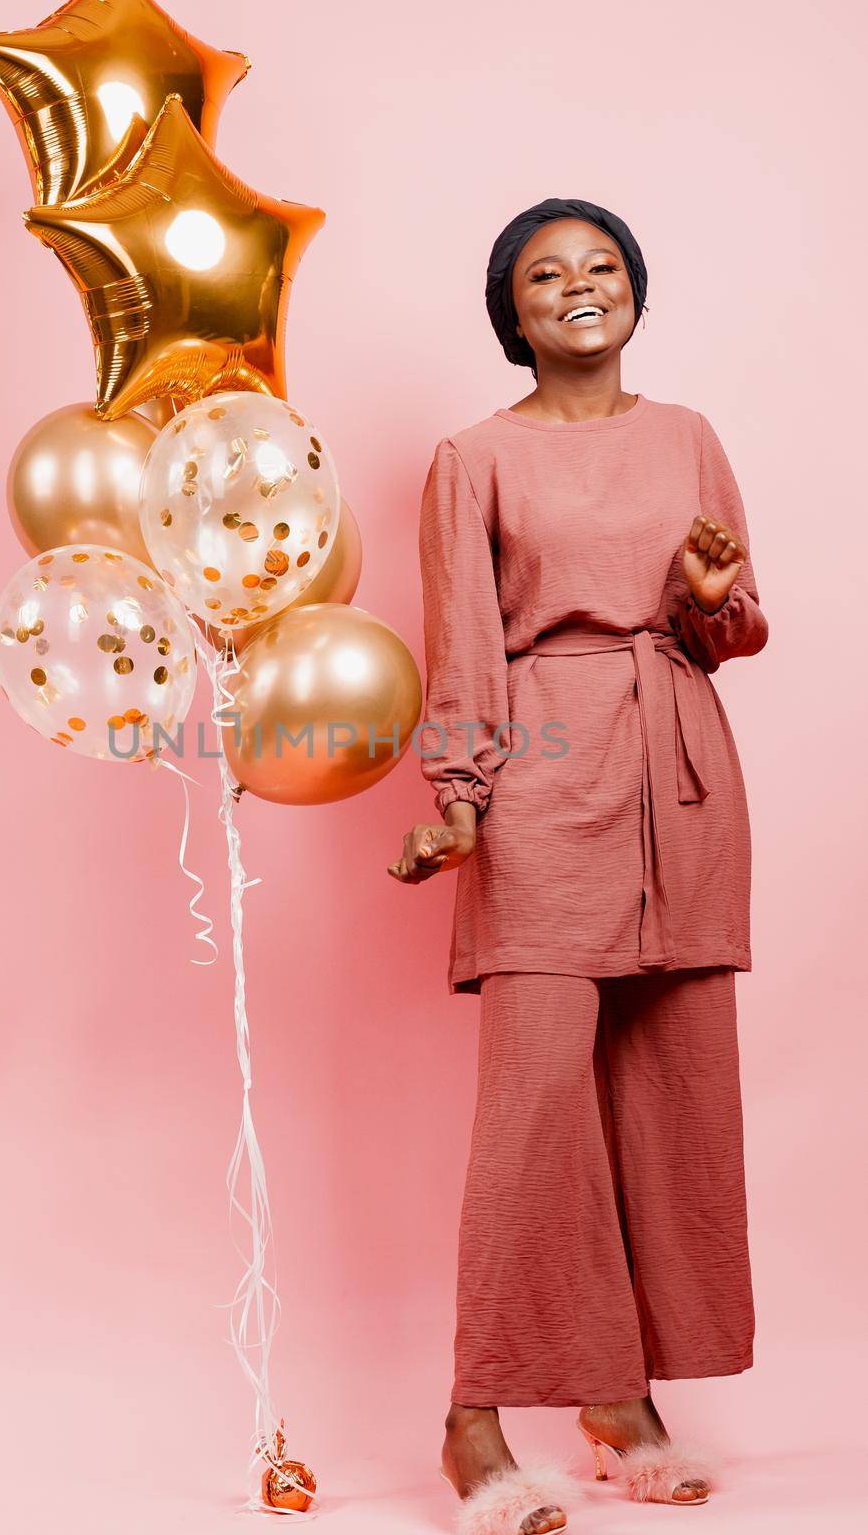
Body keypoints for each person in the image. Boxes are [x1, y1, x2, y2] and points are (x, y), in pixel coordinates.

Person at [388, 198, 768, 1535]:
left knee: (671, 1098)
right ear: (514, 313)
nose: (577, 286)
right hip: (548, 782)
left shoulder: (689, 440)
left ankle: (620, 1402)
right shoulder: (472, 458)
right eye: (544, 274)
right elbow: (464, 646)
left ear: (636, 292)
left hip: (683, 779)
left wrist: (710, 593)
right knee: (534, 1120)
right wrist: (460, 799)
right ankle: (472, 1419)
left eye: (601, 266)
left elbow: (730, 629)